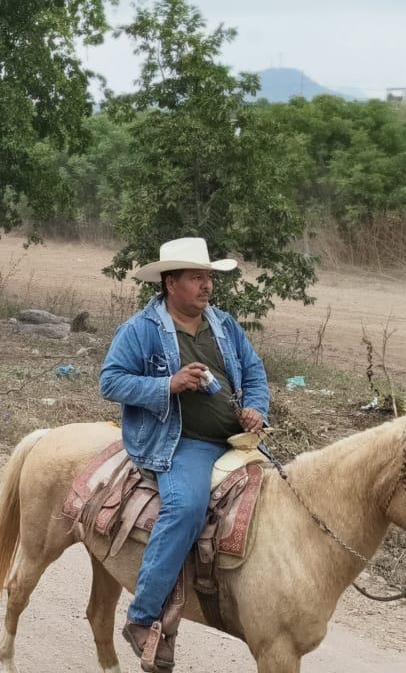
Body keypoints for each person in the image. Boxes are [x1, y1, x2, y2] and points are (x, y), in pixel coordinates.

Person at [99, 237, 270, 671]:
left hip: (235, 441)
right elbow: (110, 382)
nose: (207, 285)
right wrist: (166, 385)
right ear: (170, 282)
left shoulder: (225, 326)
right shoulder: (141, 330)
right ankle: (142, 619)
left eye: (209, 277)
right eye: (197, 277)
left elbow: (254, 373)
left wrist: (255, 408)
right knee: (187, 508)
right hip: (181, 443)